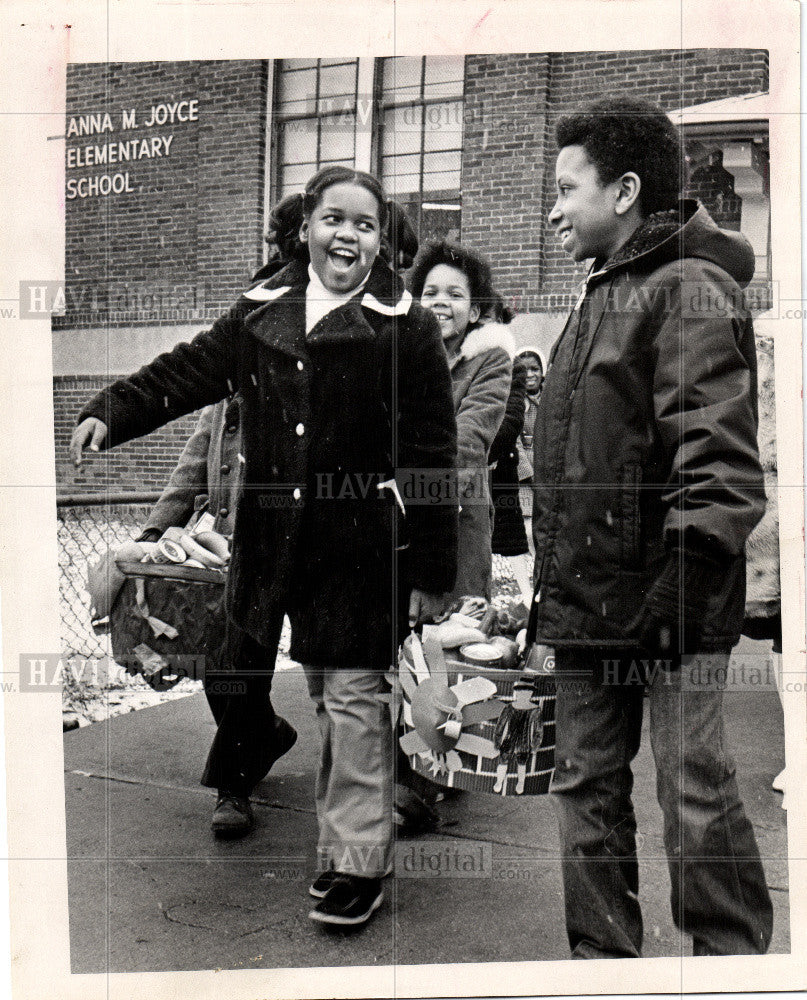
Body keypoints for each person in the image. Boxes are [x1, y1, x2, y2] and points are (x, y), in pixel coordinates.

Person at [70, 165, 459, 929]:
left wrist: (431, 570)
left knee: (350, 700)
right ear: (306, 226)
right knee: (255, 675)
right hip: (269, 541)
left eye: (366, 224)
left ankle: (356, 866)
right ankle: (260, 782)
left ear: (381, 242)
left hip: (357, 550)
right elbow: (187, 370)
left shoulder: (404, 327)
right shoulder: (258, 313)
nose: (347, 234)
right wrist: (114, 410)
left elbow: (431, 456)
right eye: (333, 219)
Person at [533, 97, 772, 957]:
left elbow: (716, 461)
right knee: (584, 792)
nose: (553, 209)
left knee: (692, 791)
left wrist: (678, 588)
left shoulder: (687, 288)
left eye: (566, 188)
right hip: (591, 608)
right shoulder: (603, 290)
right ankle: (599, 966)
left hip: (670, 606)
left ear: (625, 190)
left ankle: (731, 963)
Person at [408, 240, 515, 602]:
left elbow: (468, 440)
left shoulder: (489, 361)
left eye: (454, 294)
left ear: (473, 311)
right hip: (397, 525)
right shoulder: (400, 362)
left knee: (448, 639)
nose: (439, 301)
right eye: (430, 292)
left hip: (456, 526)